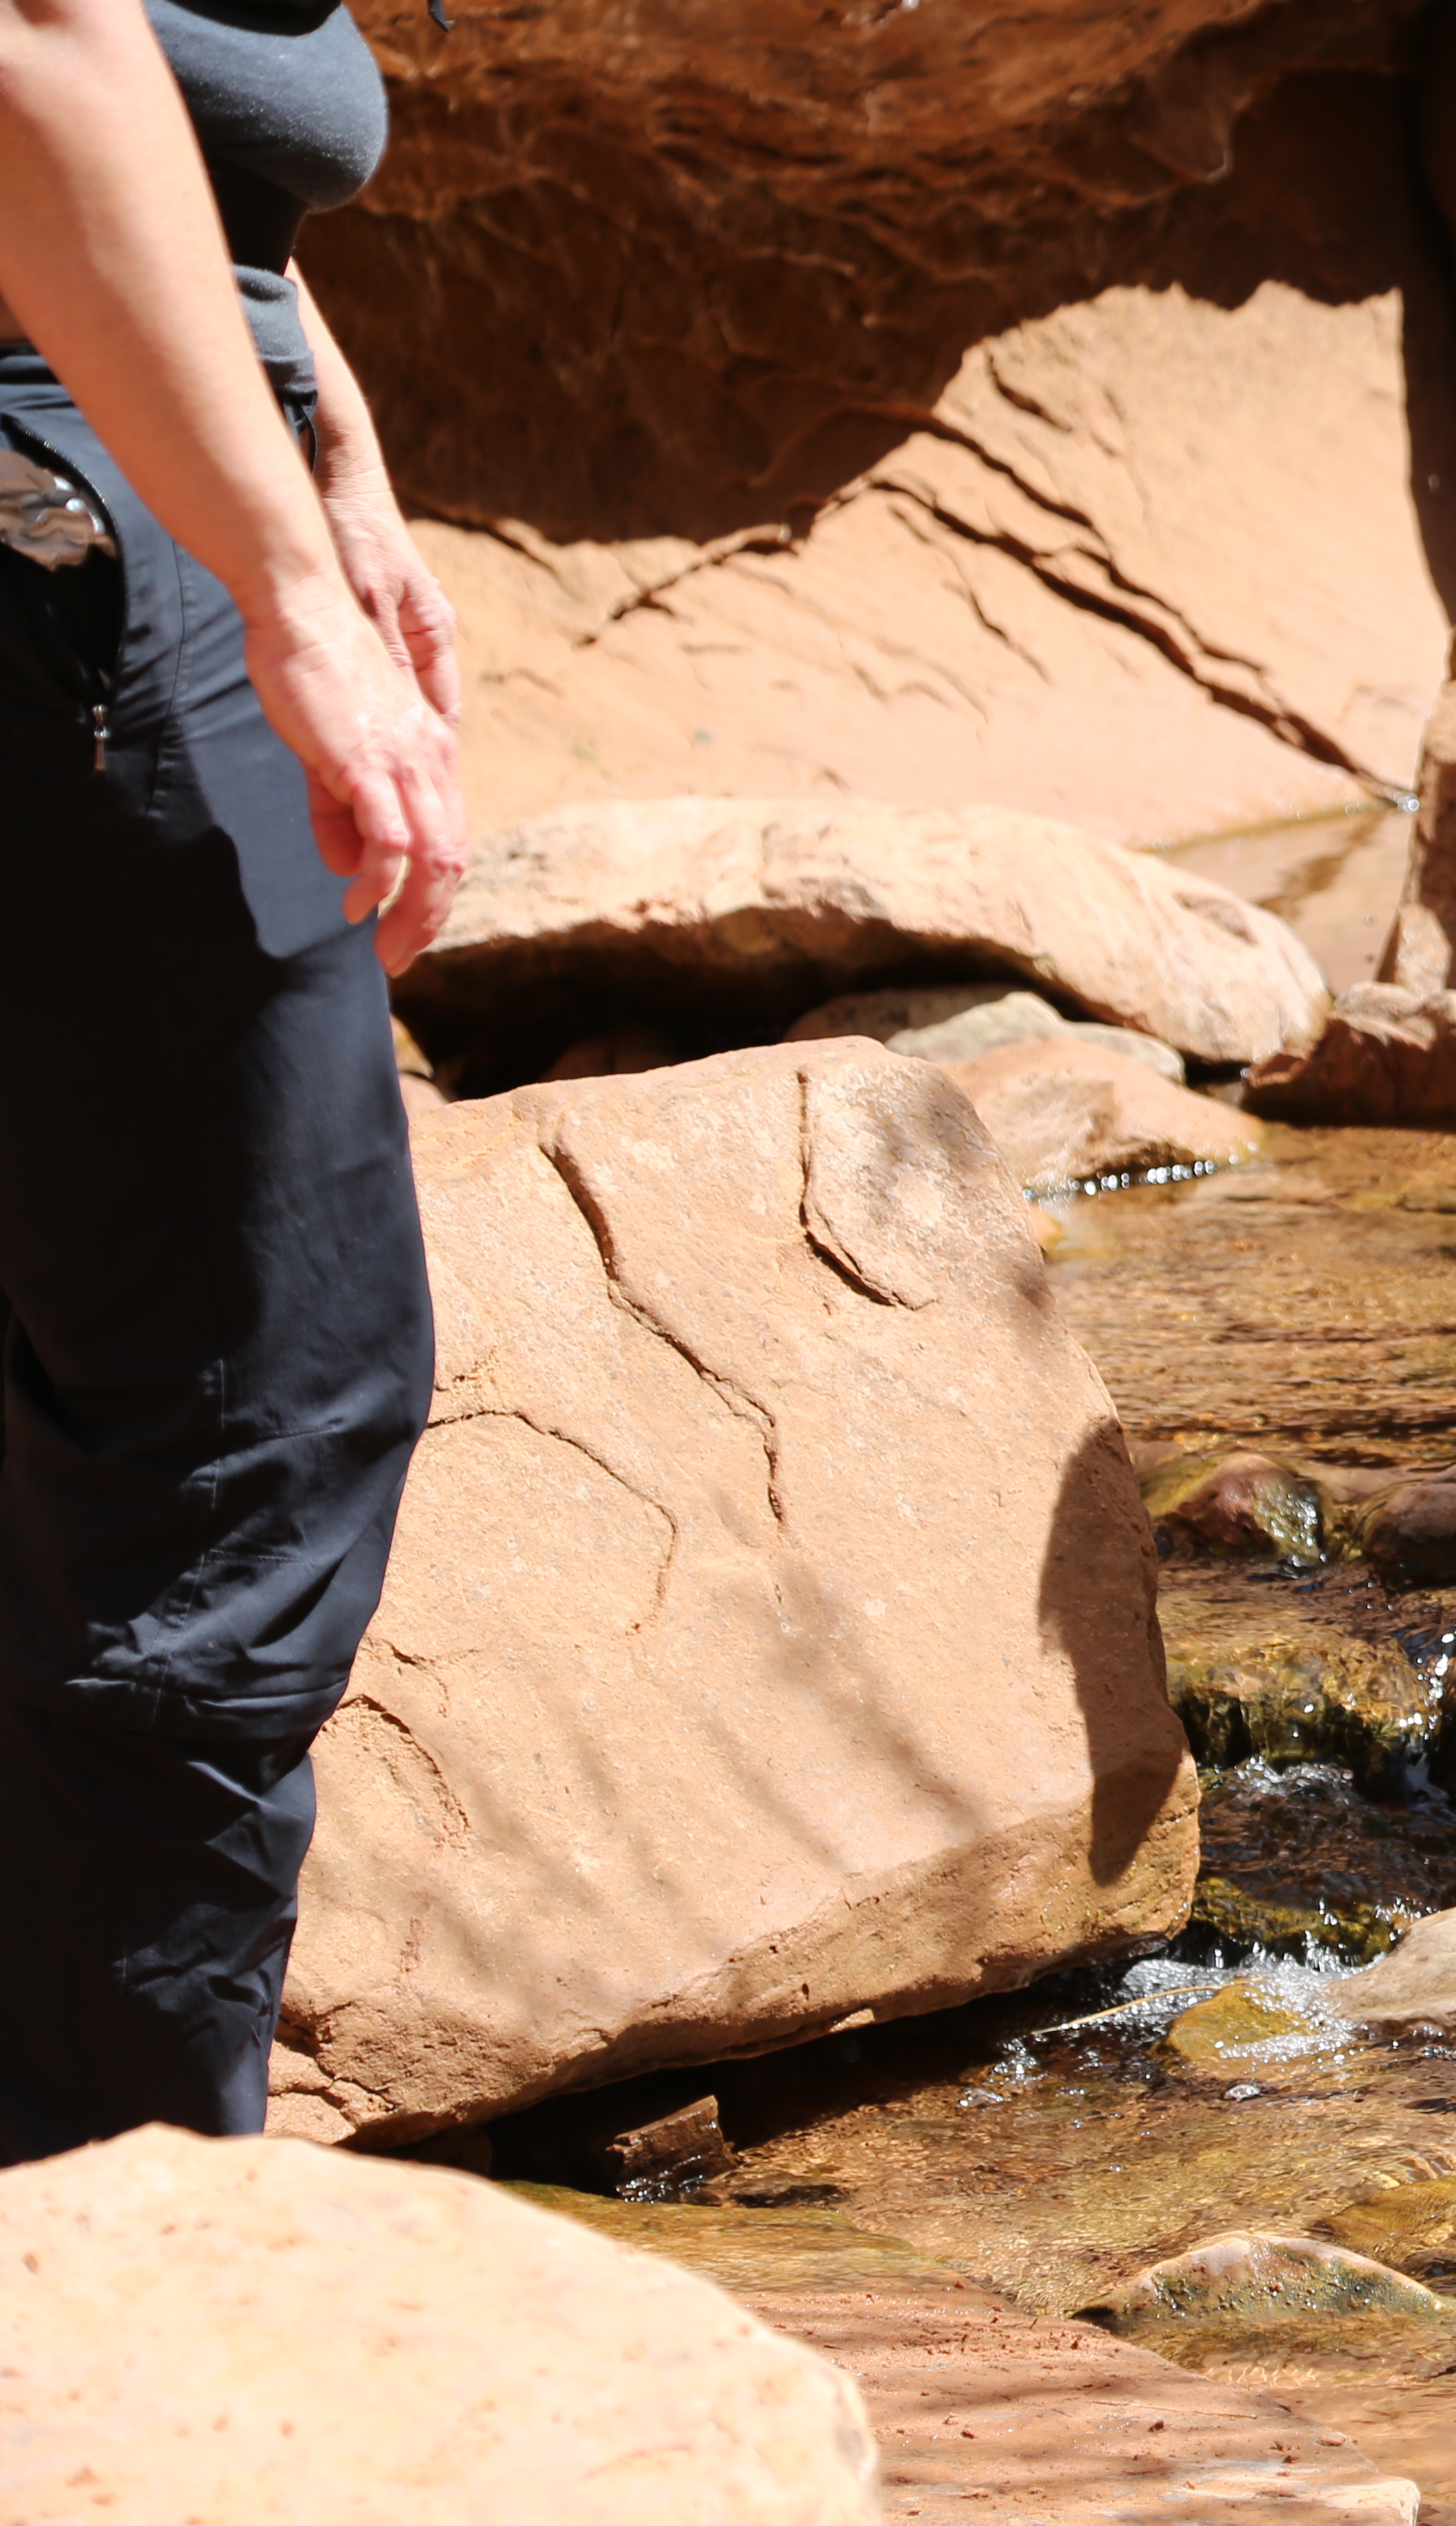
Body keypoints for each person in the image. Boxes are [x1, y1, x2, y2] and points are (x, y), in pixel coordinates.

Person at [0, 0, 467, 2161]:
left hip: (133, 487)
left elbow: (218, 188)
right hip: (75, 539)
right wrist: (279, 584)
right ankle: (130, 2243)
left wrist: (335, 479)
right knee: (240, 1426)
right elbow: (33, 52)